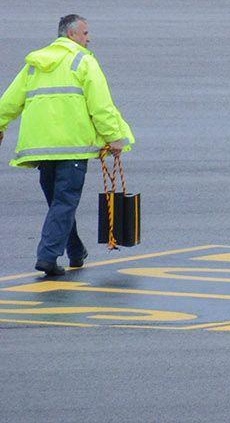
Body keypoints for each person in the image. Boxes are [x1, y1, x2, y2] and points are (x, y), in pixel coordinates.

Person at [0, 14, 133, 278]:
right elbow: (101, 106)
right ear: (71, 35)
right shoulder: (83, 61)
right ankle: (47, 256)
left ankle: (75, 250)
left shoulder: (35, 64)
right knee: (64, 202)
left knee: (60, 203)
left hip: (41, 148)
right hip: (72, 146)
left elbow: (10, 100)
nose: (88, 38)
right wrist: (113, 137)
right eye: (85, 33)